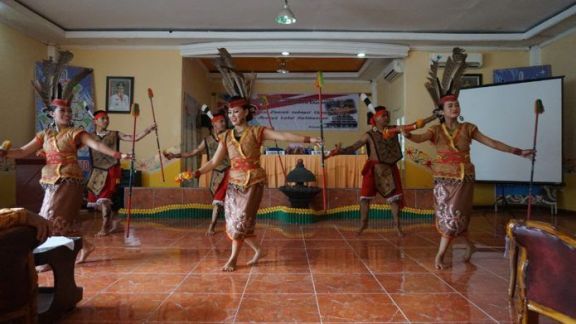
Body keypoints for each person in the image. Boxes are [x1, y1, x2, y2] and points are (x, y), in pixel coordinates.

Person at [403, 94, 533, 270]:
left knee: (452, 217)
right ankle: (469, 245)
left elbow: (492, 143)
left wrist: (517, 151)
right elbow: (418, 138)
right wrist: (407, 134)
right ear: (442, 111)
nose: (455, 108)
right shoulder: (435, 130)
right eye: (450, 106)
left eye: (456, 105)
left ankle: (440, 255)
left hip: (464, 178)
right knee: (451, 216)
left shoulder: (468, 128)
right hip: (442, 179)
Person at [192, 96, 322, 271]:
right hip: (234, 183)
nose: (232, 115)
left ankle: (233, 259)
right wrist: (198, 172)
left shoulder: (257, 131)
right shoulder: (226, 136)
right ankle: (259, 250)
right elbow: (214, 162)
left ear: (246, 112)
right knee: (235, 223)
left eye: (236, 111)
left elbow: (282, 136)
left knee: (240, 221)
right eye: (230, 112)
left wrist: (309, 140)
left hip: (253, 182)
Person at [0, 99, 130, 266]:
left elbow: (96, 144)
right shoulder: (44, 134)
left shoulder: (76, 133)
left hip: (69, 180)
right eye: (62, 111)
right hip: (50, 181)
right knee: (61, 219)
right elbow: (23, 151)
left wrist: (118, 155)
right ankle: (84, 246)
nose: (67, 114)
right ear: (52, 114)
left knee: (49, 218)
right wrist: (6, 153)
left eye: (69, 111)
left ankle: (46, 258)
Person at [329, 105, 405, 236]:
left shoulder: (393, 130)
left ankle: (397, 227)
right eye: (383, 115)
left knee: (393, 199)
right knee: (364, 199)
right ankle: (363, 225)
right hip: (372, 170)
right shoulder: (369, 135)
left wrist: (434, 116)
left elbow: (414, 125)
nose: (387, 117)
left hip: (388, 169)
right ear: (376, 118)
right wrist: (340, 151)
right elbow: (353, 147)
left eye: (387, 115)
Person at [87, 110, 156, 236]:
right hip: (96, 170)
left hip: (111, 169)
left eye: (107, 118)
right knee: (97, 202)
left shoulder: (115, 134)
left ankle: (104, 227)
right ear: (95, 121)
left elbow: (133, 138)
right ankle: (114, 220)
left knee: (104, 200)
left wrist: (148, 129)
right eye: (103, 118)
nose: (106, 120)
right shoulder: (88, 136)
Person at [165, 109, 230, 235]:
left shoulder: (230, 135)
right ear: (214, 124)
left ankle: (230, 226)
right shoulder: (208, 141)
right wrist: (175, 156)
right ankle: (212, 227)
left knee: (227, 200)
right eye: (220, 121)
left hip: (231, 171)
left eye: (224, 121)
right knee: (218, 202)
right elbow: (192, 153)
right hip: (216, 173)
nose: (223, 123)